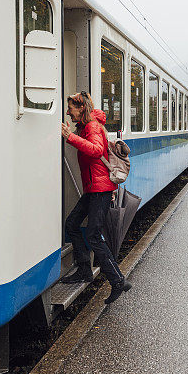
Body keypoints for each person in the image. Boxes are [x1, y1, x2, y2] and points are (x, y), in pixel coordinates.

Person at [60, 91, 131, 304]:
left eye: (71, 108)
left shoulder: (92, 126)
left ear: (81, 108)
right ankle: (84, 270)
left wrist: (70, 137)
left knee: (93, 235)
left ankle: (118, 281)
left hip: (100, 189)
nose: (67, 112)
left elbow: (96, 150)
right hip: (94, 188)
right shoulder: (86, 126)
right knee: (72, 224)